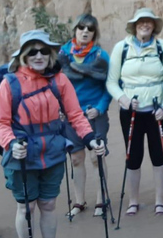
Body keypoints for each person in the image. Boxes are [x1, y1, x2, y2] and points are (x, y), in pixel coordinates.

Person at [0, 30, 105, 238]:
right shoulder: (10, 83)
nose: (39, 56)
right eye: (33, 51)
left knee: (49, 204)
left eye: (44, 51)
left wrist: (90, 139)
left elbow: (76, 115)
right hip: (22, 154)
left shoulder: (59, 80)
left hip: (52, 151)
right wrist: (11, 143)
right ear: (24, 55)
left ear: (50, 54)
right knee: (27, 207)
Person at [105, 8, 163, 216]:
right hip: (130, 112)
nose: (145, 25)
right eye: (141, 22)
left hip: (157, 112)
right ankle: (133, 201)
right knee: (133, 157)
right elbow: (111, 81)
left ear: (154, 25)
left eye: (149, 22)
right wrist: (123, 99)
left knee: (158, 156)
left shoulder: (162, 47)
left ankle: (160, 201)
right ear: (134, 26)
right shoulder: (121, 48)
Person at [58, 14, 112, 217]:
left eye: (90, 29)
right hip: (70, 114)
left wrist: (100, 107)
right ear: (75, 30)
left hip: (94, 113)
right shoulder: (63, 55)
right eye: (81, 27)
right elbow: (54, 84)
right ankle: (79, 201)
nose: (85, 32)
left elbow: (110, 85)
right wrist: (58, 107)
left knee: (96, 157)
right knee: (76, 158)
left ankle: (101, 199)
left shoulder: (100, 56)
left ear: (94, 33)